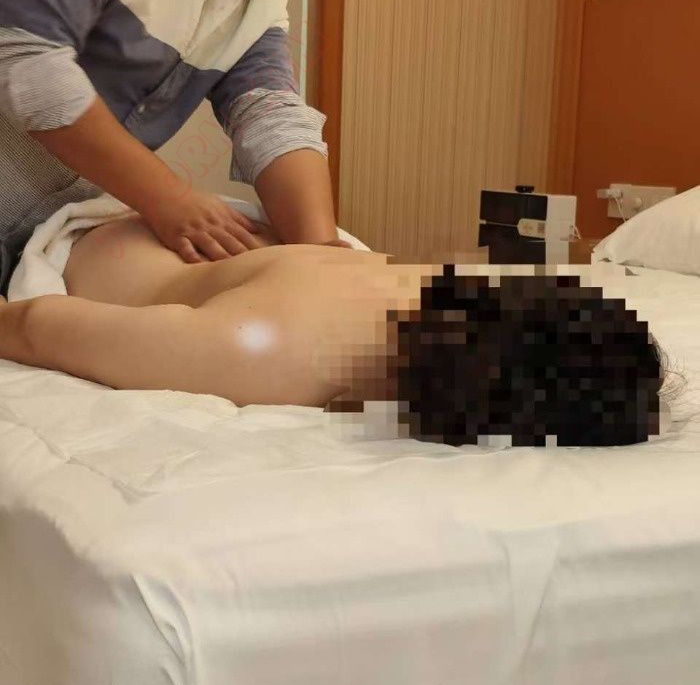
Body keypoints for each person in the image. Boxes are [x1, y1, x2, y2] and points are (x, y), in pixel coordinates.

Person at [0, 210, 667, 447]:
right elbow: (35, 326)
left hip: (233, 250)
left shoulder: (443, 290)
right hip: (99, 240)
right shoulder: (265, 349)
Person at [0, 0, 340, 295]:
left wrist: (321, 251)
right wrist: (168, 198)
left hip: (43, 237)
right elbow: (26, 58)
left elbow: (271, 116)